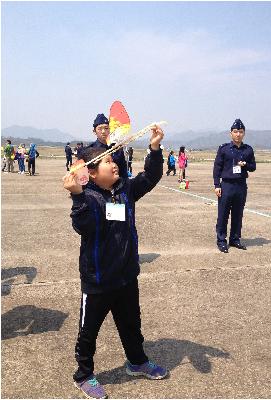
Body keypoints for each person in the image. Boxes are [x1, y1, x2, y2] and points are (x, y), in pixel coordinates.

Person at [63, 125, 167, 399]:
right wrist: (76, 195)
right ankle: (83, 375)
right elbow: (82, 226)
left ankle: (137, 361)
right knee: (88, 332)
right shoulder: (88, 199)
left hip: (126, 276)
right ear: (92, 173)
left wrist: (154, 148)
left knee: (132, 324)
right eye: (108, 161)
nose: (115, 164)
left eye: (113, 159)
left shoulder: (125, 191)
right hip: (98, 280)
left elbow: (151, 177)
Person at [213, 118, 256, 253]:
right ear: (231, 133)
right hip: (226, 185)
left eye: (241, 132)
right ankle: (221, 240)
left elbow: (253, 167)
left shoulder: (248, 150)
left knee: (238, 214)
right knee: (223, 214)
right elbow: (217, 168)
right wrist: (217, 185)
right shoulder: (224, 149)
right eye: (236, 131)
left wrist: (246, 165)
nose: (238, 134)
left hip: (241, 186)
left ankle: (235, 239)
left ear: (244, 134)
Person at [83, 113, 127, 179]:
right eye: (100, 129)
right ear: (94, 131)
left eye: (106, 128)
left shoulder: (117, 148)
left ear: (110, 130)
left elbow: (123, 172)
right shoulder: (89, 150)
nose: (103, 131)